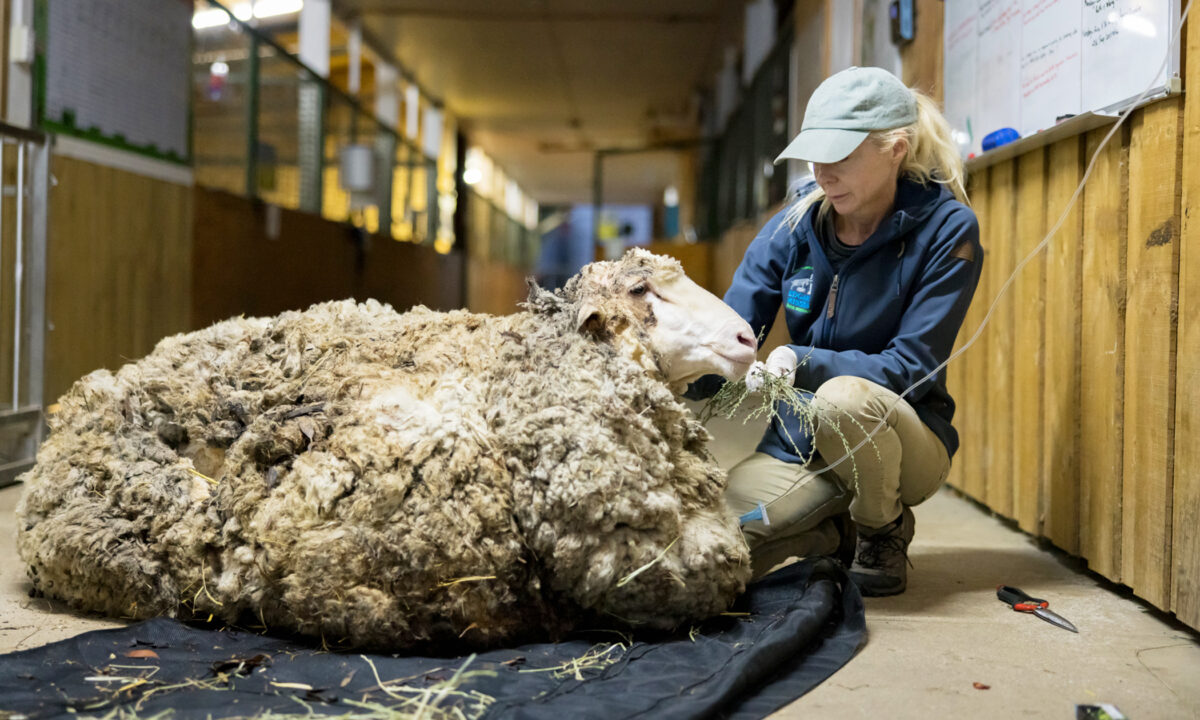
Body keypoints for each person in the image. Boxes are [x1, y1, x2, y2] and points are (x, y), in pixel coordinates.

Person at [706, 66, 983, 596]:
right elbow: (731, 328)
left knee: (843, 399)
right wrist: (676, 366)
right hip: (798, 440)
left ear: (896, 149)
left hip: (898, 436)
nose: (823, 174)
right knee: (715, 547)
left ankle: (881, 528)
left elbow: (911, 366)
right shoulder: (795, 222)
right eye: (816, 156)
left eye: (841, 157)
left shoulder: (948, 230)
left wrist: (803, 360)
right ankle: (832, 531)